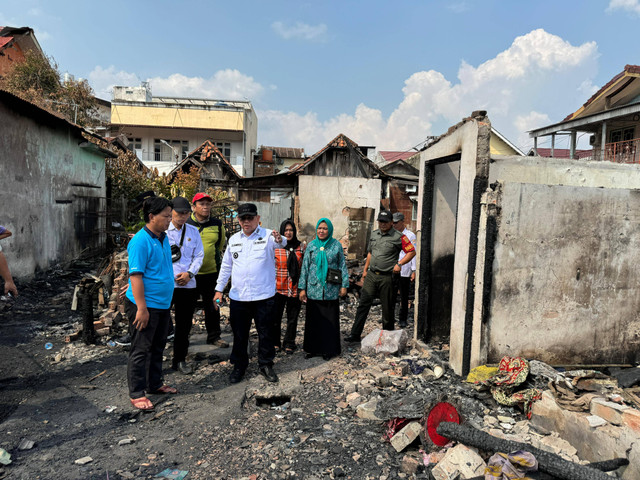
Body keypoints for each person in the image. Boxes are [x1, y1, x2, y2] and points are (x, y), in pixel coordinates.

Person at [214, 203, 286, 384]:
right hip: (239, 297)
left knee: (266, 333)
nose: (246, 221)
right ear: (238, 220)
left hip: (264, 296)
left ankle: (266, 364)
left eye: (250, 218)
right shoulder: (233, 239)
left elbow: (283, 243)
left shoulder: (269, 235)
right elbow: (226, 266)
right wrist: (219, 289)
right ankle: (239, 366)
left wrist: (279, 239)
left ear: (257, 218)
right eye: (242, 218)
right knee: (240, 334)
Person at [125, 197, 177, 410]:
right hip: (146, 305)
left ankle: (154, 384)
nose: (169, 220)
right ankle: (137, 392)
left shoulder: (162, 237)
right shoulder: (140, 241)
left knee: (158, 346)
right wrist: (142, 308)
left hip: (162, 304)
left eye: (170, 216)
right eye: (166, 216)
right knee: (141, 349)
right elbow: (136, 276)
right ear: (151, 217)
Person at [345, 210, 416, 343]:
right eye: (380, 222)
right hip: (372, 275)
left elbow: (411, 252)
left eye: (385, 222)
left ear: (390, 223)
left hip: (387, 277)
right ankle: (354, 335)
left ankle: (388, 339)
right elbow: (371, 253)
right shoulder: (374, 234)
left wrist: (400, 264)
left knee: (387, 308)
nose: (382, 224)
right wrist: (365, 270)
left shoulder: (399, 236)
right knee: (363, 304)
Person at [298, 218, 349, 360]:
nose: (321, 231)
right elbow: (305, 267)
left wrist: (344, 285)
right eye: (319, 228)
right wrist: (302, 288)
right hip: (314, 288)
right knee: (313, 321)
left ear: (330, 230)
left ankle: (329, 349)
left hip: (330, 289)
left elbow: (342, 266)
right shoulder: (312, 246)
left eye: (325, 228)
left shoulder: (336, 245)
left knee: (329, 321)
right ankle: (312, 349)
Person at [168, 197, 204, 375]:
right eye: (178, 213)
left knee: (183, 325)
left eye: (185, 213)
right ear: (170, 212)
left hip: (187, 285)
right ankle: (154, 360)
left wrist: (189, 274)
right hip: (167, 285)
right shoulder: (162, 231)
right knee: (160, 324)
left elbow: (199, 255)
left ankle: (179, 360)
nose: (182, 217)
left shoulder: (193, 231)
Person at [187, 192, 228, 347]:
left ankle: (214, 336)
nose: (205, 207)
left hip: (212, 274)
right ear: (194, 206)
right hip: (190, 275)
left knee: (214, 305)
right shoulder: (187, 224)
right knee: (187, 308)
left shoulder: (217, 224)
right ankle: (183, 339)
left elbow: (219, 246)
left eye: (208, 204)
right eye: (201, 204)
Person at [270, 219, 305, 355]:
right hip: (278, 288)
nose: (288, 233)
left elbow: (304, 268)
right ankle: (275, 342)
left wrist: (303, 289)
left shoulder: (301, 247)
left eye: (291, 230)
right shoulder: (276, 247)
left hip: (294, 289)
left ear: (294, 232)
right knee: (275, 318)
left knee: (292, 318)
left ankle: (289, 342)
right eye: (286, 230)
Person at [392, 212, 417, 328]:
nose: (394, 225)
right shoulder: (391, 234)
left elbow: (414, 253)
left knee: (404, 296)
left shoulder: (410, 235)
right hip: (392, 269)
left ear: (402, 222)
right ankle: (390, 317)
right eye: (393, 223)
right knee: (390, 295)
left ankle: (403, 318)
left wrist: (414, 270)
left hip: (405, 269)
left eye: (396, 223)